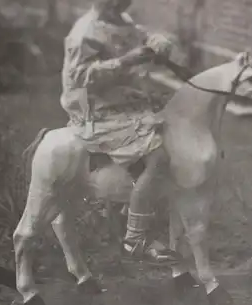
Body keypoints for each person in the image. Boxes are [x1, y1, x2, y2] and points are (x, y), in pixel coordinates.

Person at [60, 0, 179, 265]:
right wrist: (124, 61)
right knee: (159, 156)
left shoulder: (120, 21)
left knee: (177, 131)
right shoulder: (85, 32)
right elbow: (78, 78)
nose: (121, 7)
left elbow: (141, 35)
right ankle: (135, 238)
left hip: (127, 102)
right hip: (99, 110)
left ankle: (131, 206)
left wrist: (157, 42)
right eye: (114, 3)